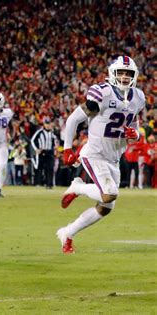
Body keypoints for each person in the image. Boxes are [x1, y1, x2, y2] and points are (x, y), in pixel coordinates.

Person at [58, 56, 145, 253]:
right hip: (94, 153)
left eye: (128, 73)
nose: (124, 77)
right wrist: (67, 149)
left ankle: (67, 233)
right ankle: (78, 187)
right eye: (120, 73)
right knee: (109, 194)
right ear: (112, 74)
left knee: (106, 208)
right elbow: (73, 120)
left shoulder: (138, 97)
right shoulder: (102, 93)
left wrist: (135, 134)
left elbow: (134, 126)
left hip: (114, 158)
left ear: (134, 76)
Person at [30, 117, 57, 189]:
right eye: (46, 124)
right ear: (44, 124)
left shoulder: (52, 132)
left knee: (50, 168)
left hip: (50, 152)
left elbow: (54, 141)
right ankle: (38, 183)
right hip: (42, 152)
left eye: (48, 123)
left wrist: (54, 148)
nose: (47, 125)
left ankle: (49, 184)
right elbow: (32, 140)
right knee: (39, 168)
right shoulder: (39, 132)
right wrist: (36, 149)